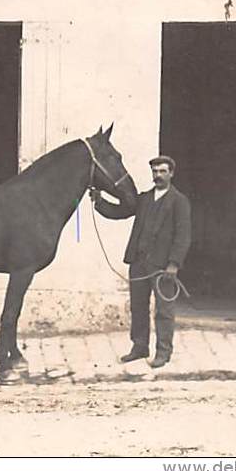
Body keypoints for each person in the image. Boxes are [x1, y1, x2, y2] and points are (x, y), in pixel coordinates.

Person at [91, 155, 191, 368]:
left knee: (164, 310)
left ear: (171, 173)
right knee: (138, 307)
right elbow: (121, 212)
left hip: (163, 267)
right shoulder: (144, 199)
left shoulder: (179, 201)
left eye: (163, 171)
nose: (158, 176)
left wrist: (174, 264)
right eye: (155, 171)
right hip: (138, 263)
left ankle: (163, 352)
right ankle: (139, 347)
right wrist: (99, 202)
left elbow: (183, 236)